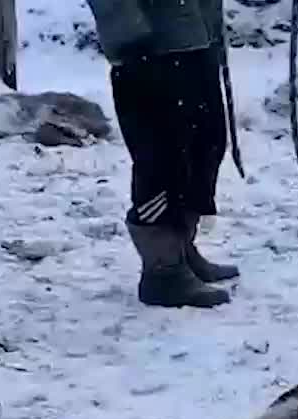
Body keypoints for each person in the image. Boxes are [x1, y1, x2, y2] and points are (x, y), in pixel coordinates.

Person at [85, 0, 240, 308]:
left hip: (194, 32)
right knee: (162, 158)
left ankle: (181, 248)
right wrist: (128, 34)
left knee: (205, 145)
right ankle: (163, 270)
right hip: (147, 41)